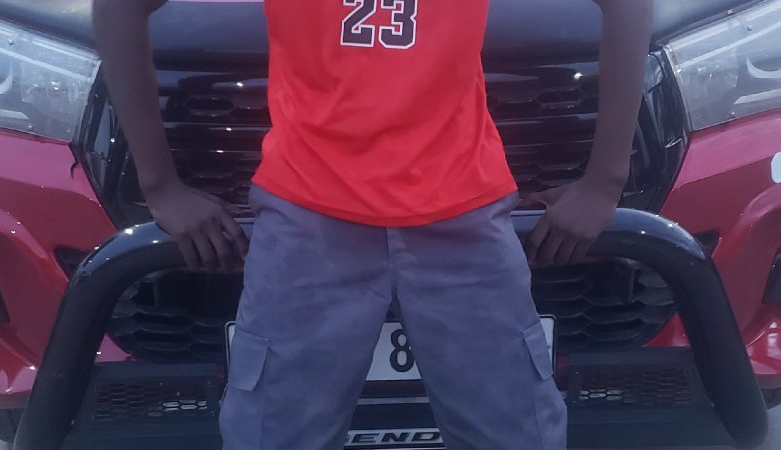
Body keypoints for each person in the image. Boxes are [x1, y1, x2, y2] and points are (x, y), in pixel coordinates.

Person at [92, 1, 653, 448]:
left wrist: (605, 180)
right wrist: (159, 186)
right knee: (274, 437)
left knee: (515, 436)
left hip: (459, 214)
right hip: (310, 217)